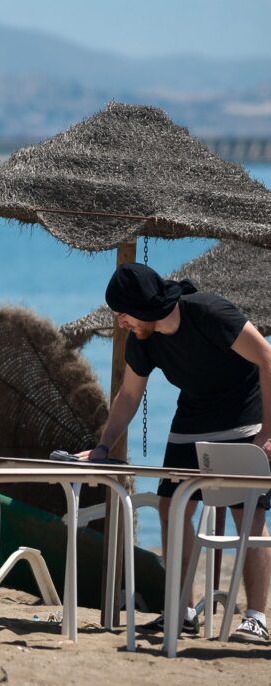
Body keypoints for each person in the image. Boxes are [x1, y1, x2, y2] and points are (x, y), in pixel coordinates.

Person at [80, 262, 271, 643]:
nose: (121, 323)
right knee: (172, 507)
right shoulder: (143, 340)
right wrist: (101, 446)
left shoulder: (209, 312)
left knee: (245, 511)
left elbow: (267, 359)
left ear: (144, 307)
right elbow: (129, 396)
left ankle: (256, 618)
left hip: (242, 416)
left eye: (123, 314)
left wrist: (268, 432)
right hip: (192, 419)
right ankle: (181, 610)